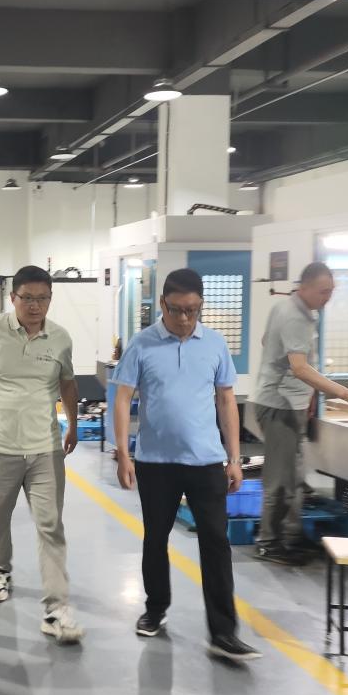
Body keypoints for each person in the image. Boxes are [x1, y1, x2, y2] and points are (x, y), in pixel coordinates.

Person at [112, 268, 261, 662]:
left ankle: (223, 632)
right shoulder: (141, 344)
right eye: (176, 309)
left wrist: (234, 458)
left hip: (206, 462)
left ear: (200, 306)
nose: (183, 318)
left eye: (192, 310)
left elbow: (226, 400)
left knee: (216, 543)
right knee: (155, 539)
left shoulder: (214, 343)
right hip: (155, 463)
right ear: (162, 304)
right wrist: (123, 453)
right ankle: (155, 608)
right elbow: (123, 398)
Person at [0, 265, 84, 643]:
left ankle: (56, 607)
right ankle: (0, 570)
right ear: (12, 297)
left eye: (42, 298)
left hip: (45, 446)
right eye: (27, 298)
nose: (35, 306)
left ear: (50, 299)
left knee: (50, 525)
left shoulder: (60, 337)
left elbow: (67, 383)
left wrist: (73, 425)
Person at [250, 262, 348, 565]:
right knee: (280, 480)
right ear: (304, 287)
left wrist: (304, 392)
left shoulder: (291, 308)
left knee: (294, 478)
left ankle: (290, 537)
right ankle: (268, 542)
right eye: (322, 292)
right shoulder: (295, 316)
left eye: (331, 291)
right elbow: (300, 367)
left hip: (288, 402)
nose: (327, 297)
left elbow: (268, 341)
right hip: (278, 406)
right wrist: (344, 393)